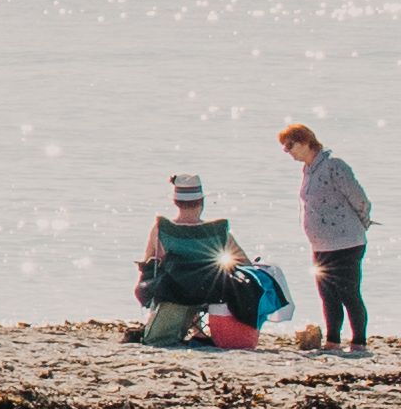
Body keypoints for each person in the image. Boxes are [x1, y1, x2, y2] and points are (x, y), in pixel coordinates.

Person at [135, 173, 283, 350]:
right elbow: (244, 263)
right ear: (201, 202)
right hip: (210, 292)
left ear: (176, 202)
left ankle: (177, 324)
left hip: (173, 292)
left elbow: (149, 263)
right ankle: (202, 330)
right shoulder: (216, 231)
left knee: (163, 275)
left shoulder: (162, 229)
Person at [291, 125, 371, 355]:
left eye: (290, 145)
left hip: (347, 241)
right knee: (327, 294)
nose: (288, 151)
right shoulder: (308, 169)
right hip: (321, 244)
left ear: (306, 142)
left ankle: (358, 341)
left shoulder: (334, 164)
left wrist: (363, 221)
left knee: (349, 292)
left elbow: (359, 198)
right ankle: (333, 340)